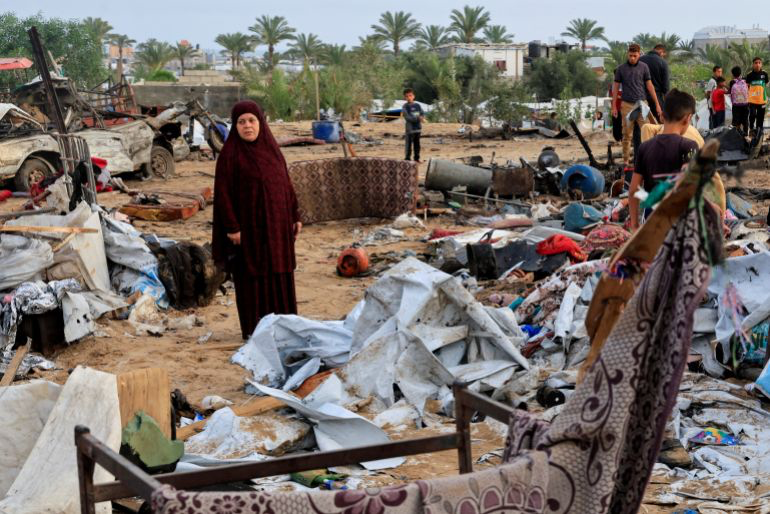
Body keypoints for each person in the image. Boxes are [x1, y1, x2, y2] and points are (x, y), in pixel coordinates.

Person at [212, 100, 302, 340]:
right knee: (252, 276)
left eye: (252, 120)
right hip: (248, 231)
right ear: (235, 126)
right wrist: (232, 226)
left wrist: (295, 215)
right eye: (241, 122)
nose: (247, 126)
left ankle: (285, 327)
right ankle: (256, 331)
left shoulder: (273, 151)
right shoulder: (230, 155)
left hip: (277, 227)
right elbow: (222, 195)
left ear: (261, 122)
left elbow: (286, 185)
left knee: (280, 273)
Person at [628, 89, 699, 231]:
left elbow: (633, 189)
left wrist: (635, 224)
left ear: (662, 117)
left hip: (651, 217)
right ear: (687, 118)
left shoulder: (644, 147)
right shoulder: (689, 146)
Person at [611, 43, 663, 166]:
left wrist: (657, 104)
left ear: (639, 54)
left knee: (648, 132)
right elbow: (616, 87)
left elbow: (650, 86)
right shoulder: (621, 69)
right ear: (627, 54)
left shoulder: (644, 67)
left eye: (635, 55)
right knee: (626, 135)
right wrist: (614, 106)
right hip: (627, 105)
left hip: (642, 104)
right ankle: (625, 161)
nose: (632, 58)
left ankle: (649, 159)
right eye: (630, 55)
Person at [639, 44, 670, 123]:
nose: (663, 56)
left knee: (642, 125)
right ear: (661, 51)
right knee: (661, 124)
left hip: (640, 97)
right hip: (656, 98)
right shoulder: (663, 62)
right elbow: (665, 87)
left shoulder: (639, 60)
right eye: (663, 54)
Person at [746, 57, 769, 137]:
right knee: (752, 115)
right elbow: (747, 86)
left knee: (761, 117)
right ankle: (751, 129)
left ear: (761, 64)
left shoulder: (764, 74)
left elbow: (766, 84)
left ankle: (759, 132)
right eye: (756, 63)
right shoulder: (749, 75)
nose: (757, 64)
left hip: (762, 100)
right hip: (752, 100)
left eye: (759, 62)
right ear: (753, 64)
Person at [402, 88, 424, 162]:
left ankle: (417, 158)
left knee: (417, 145)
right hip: (410, 129)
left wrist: (422, 117)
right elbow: (407, 117)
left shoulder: (418, 105)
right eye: (407, 96)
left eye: (410, 95)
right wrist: (418, 118)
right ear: (405, 98)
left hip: (417, 128)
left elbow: (422, 113)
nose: (409, 97)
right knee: (408, 145)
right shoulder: (405, 107)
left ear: (413, 96)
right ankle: (407, 159)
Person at [729, 66, 750, 134]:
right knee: (745, 121)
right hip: (745, 104)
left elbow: (730, 92)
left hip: (736, 106)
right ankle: (746, 135)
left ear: (733, 74)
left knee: (736, 122)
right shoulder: (745, 80)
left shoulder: (732, 82)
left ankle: (737, 136)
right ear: (740, 72)